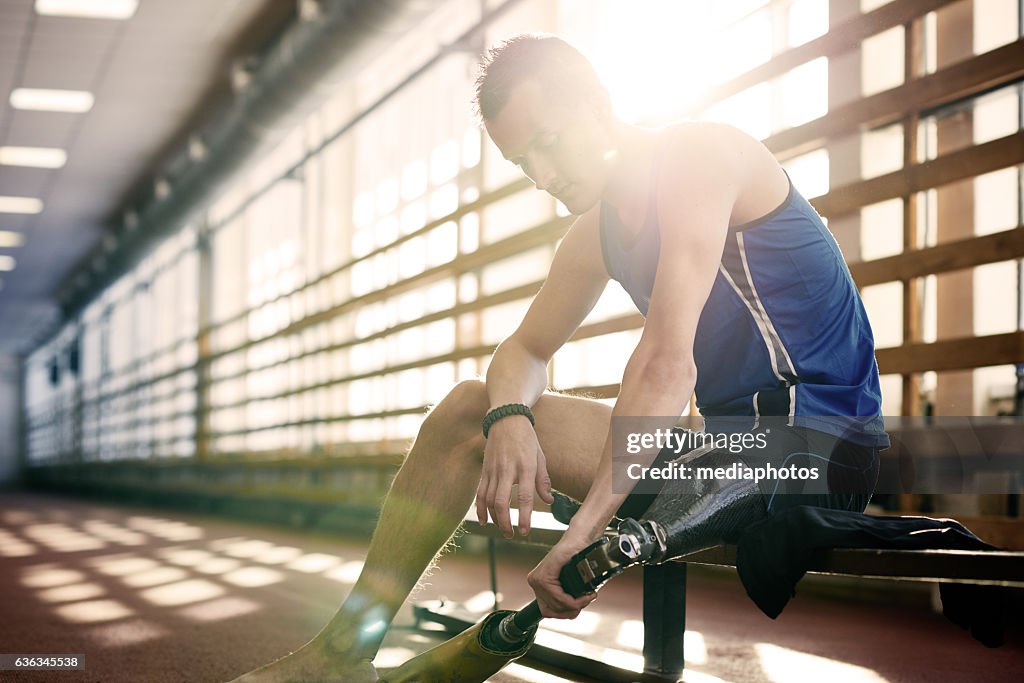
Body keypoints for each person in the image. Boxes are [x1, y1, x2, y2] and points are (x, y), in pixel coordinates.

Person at [231, 33, 888, 682]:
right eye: (522, 162)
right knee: (468, 407)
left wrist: (579, 538)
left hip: (815, 450)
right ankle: (343, 652)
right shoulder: (596, 231)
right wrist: (509, 414)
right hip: (717, 446)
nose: (543, 176)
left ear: (597, 103)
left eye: (547, 142)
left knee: (649, 425)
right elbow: (521, 348)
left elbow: (666, 364)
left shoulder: (698, 157)